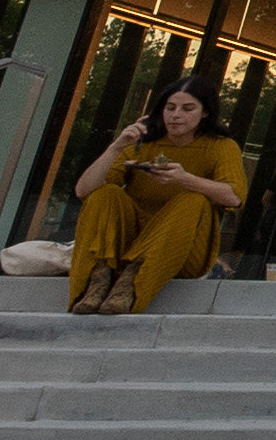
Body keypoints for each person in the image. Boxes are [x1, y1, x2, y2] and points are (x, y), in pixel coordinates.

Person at [64, 78, 246, 314]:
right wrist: (116, 147)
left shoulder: (221, 146)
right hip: (131, 242)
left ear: (205, 113)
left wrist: (185, 179)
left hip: (183, 248)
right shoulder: (144, 143)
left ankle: (132, 283)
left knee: (194, 199)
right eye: (170, 108)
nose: (175, 115)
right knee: (105, 193)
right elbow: (84, 190)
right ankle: (97, 281)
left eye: (187, 108)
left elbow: (234, 198)